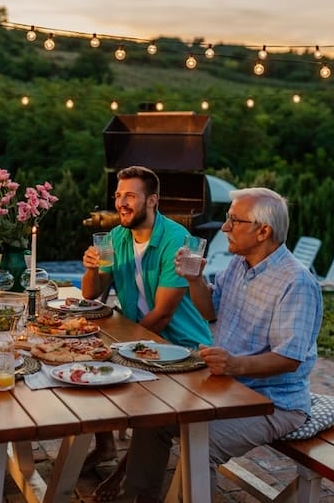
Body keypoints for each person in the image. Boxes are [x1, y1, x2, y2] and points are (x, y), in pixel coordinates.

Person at [116, 187, 323, 502]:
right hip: (227, 387)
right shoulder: (240, 264)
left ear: (263, 231)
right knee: (152, 418)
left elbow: (290, 358)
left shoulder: (297, 282)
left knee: (200, 445)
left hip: (275, 403)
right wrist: (195, 280)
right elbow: (210, 310)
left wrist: (236, 364)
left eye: (234, 220)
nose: (225, 227)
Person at [80, 165, 213, 488]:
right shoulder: (116, 236)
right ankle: (105, 443)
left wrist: (121, 346)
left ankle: (127, 474)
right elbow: (90, 293)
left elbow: (164, 315)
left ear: (152, 200)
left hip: (182, 346)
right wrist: (90, 268)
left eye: (130, 196)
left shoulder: (176, 240)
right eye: (117, 196)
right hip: (139, 336)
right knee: (84, 356)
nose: (121, 203)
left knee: (119, 369)